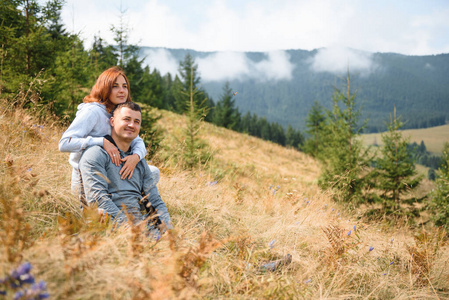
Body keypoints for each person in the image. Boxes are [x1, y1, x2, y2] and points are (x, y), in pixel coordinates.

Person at [58, 67, 159, 202]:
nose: (122, 91)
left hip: (113, 174)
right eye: (115, 86)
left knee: (152, 172)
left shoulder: (119, 112)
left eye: (125, 86)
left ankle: (134, 204)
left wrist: (135, 157)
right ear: (105, 88)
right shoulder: (92, 111)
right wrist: (101, 141)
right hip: (87, 179)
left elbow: (137, 141)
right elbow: (64, 143)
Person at [78, 102, 171, 235]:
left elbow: (155, 201)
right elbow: (98, 199)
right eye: (126, 119)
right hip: (109, 226)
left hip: (140, 226)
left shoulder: (138, 161)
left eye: (136, 121)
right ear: (112, 121)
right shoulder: (96, 154)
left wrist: (168, 231)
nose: (132, 125)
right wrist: (131, 231)